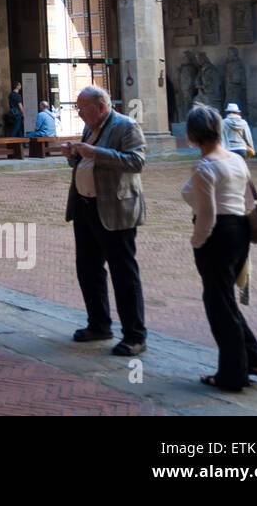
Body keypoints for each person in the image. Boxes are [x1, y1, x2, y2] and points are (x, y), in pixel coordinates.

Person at [181, 106, 257, 391]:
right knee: (225, 300)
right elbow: (247, 202)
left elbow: (206, 214)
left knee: (218, 305)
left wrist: (197, 242)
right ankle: (252, 360)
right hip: (239, 230)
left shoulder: (204, 167)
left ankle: (232, 375)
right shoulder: (235, 160)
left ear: (192, 135)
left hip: (216, 235)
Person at [62, 85, 148, 356]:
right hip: (86, 208)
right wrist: (74, 157)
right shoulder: (92, 126)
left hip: (115, 211)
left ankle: (135, 336)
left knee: (124, 275)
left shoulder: (126, 126)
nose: (79, 114)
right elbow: (87, 163)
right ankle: (99, 324)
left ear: (100, 106)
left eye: (82, 108)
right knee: (88, 269)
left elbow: (137, 162)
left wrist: (94, 153)